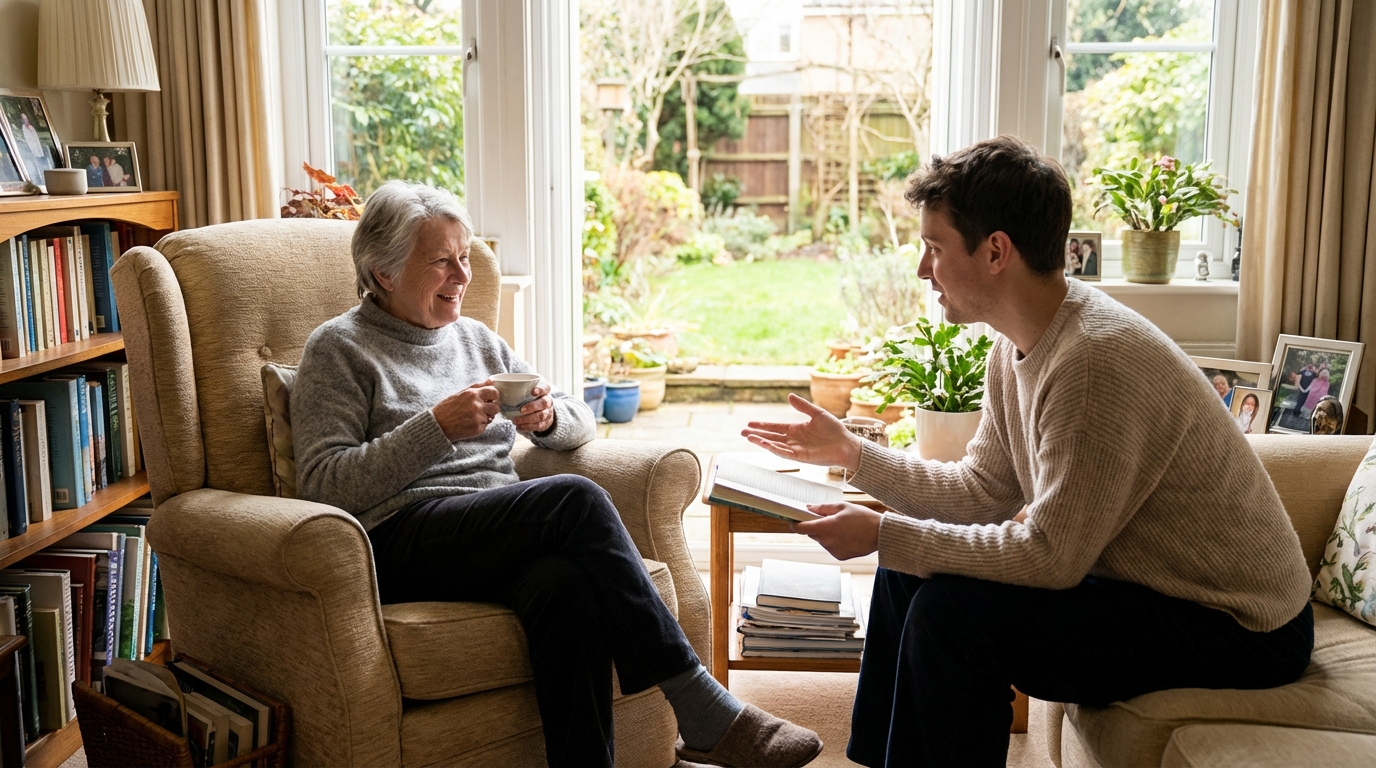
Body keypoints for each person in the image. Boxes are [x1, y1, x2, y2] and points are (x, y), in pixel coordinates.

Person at [741, 136, 1313, 767]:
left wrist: (884, 531)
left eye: (934, 247)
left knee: (951, 617)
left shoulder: (1092, 361)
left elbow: (1050, 557)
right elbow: (983, 491)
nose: (923, 269)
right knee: (907, 569)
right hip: (1149, 588)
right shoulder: (1012, 346)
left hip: (1238, 624)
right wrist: (853, 454)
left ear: (995, 251)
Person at [291, 181, 820, 768]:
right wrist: (434, 427)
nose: (463, 276)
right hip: (398, 538)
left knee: (563, 585)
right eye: (442, 261)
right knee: (574, 500)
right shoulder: (338, 349)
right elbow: (321, 483)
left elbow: (576, 417)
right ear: (383, 273)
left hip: (490, 531)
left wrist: (547, 420)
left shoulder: (475, 339)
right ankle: (698, 702)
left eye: (464, 257)